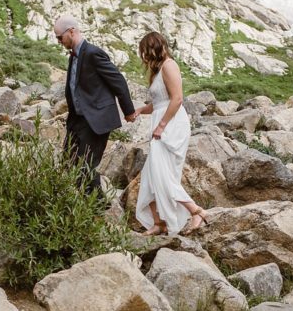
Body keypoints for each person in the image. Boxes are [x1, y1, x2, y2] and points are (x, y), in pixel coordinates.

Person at [133, 31, 208, 236]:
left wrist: (162, 126)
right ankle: (159, 223)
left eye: (144, 51)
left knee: (163, 174)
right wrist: (140, 110)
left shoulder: (169, 65)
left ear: (153, 47)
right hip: (162, 121)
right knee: (151, 174)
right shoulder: (158, 71)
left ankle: (196, 211)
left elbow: (177, 99)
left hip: (172, 125)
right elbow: (158, 103)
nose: (143, 57)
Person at [53, 15, 136, 194]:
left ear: (71, 31)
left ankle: (97, 209)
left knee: (86, 166)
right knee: (68, 162)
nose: (59, 41)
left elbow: (118, 80)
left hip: (96, 119)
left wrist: (128, 110)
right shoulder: (73, 57)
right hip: (78, 120)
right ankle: (80, 205)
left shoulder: (93, 53)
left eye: (60, 37)